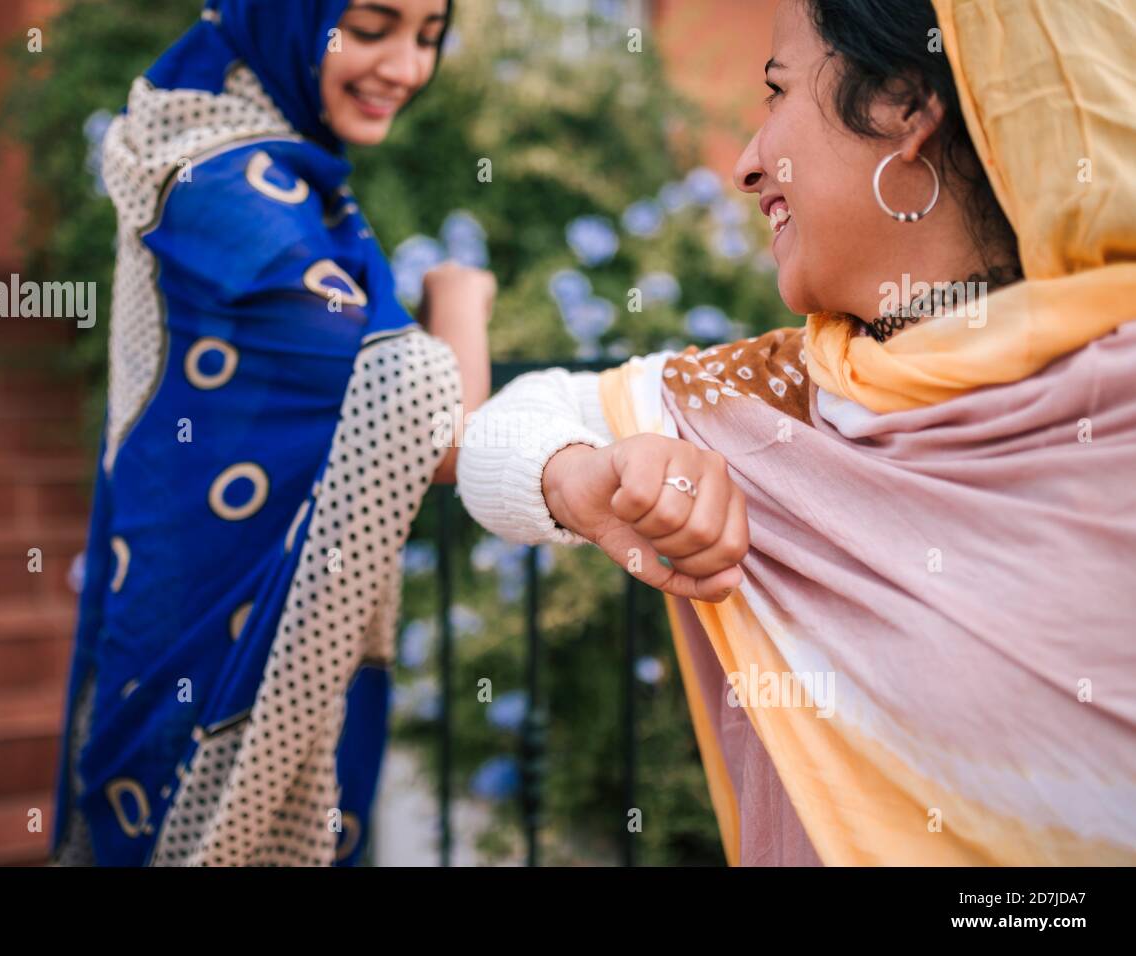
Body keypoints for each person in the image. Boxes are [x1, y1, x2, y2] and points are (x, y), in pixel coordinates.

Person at [458, 0, 1136, 865]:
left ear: (903, 106)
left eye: (777, 94)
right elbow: (490, 437)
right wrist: (578, 475)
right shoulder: (779, 401)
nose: (744, 166)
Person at [52, 0, 495, 866]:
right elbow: (438, 434)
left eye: (429, 36)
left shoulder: (222, 146)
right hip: (201, 652)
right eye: (371, 27)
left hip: (183, 600)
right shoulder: (237, 200)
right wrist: (463, 302)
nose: (406, 67)